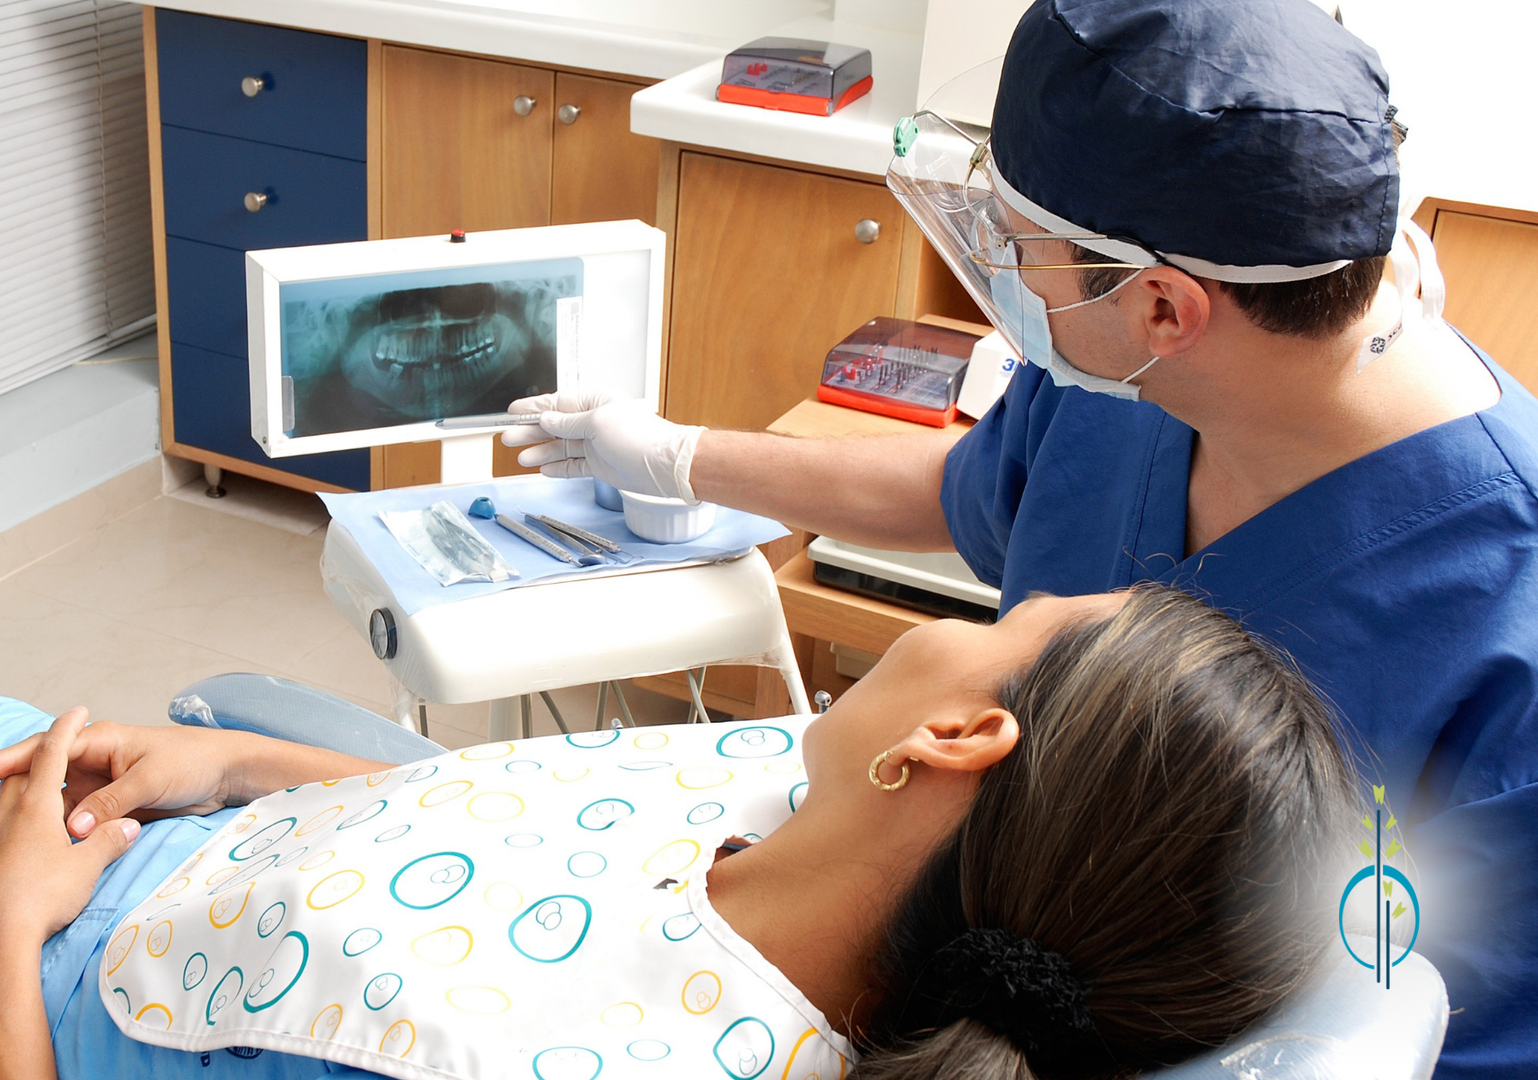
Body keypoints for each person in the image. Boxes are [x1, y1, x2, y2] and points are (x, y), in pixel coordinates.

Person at [502, 2, 1538, 1074]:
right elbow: (970, 494)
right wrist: (679, 458)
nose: (997, 273)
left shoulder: (1509, 613)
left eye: (1015, 244)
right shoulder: (1122, 384)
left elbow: (1442, 1034)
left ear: (1166, 308)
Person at [0, 590, 1353, 1080]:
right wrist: (220, 758)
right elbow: (491, 823)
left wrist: (4, 932)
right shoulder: (816, 795)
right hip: (128, 824)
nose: (990, 609)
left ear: (969, 735)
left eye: (1025, 618)